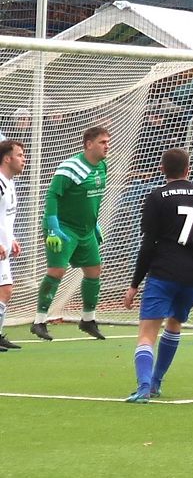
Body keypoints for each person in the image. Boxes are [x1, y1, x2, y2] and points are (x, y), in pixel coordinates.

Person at [120, 148, 193, 402]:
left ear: (162, 169)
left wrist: (134, 284)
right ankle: (156, 383)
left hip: (163, 273)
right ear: (188, 169)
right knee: (174, 325)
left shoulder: (156, 197)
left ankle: (144, 387)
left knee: (147, 333)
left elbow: (147, 245)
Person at [30, 125, 111, 341]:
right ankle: (39, 321)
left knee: (94, 271)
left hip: (86, 229)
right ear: (89, 144)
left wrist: (94, 223)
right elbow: (52, 195)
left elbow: (93, 199)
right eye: (102, 142)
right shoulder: (70, 167)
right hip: (63, 228)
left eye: (108, 142)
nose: (107, 146)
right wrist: (52, 226)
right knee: (56, 271)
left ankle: (88, 320)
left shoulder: (102, 166)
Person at [0, 141, 26, 351]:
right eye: (20, 155)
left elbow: (4, 218)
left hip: (4, 251)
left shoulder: (9, 183)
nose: (23, 159)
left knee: (5, 291)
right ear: (7, 158)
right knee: (5, 290)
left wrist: (12, 239)